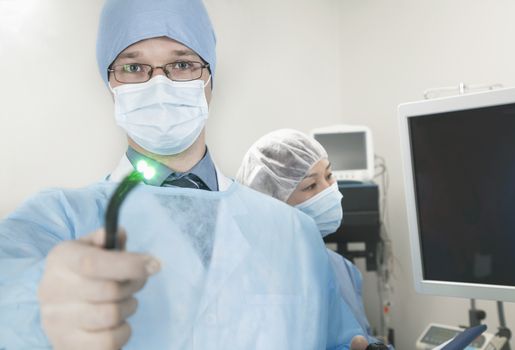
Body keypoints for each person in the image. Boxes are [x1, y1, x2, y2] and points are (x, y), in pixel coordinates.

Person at [0, 1, 367, 349]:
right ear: (110, 85)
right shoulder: (60, 220)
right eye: (133, 67)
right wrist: (37, 305)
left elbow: (337, 336)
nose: (159, 84)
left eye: (182, 65)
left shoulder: (292, 232)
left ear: (210, 80)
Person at [236, 128, 393, 350]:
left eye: (329, 176)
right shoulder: (245, 277)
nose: (329, 191)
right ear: (272, 203)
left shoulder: (341, 268)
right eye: (310, 186)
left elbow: (356, 338)